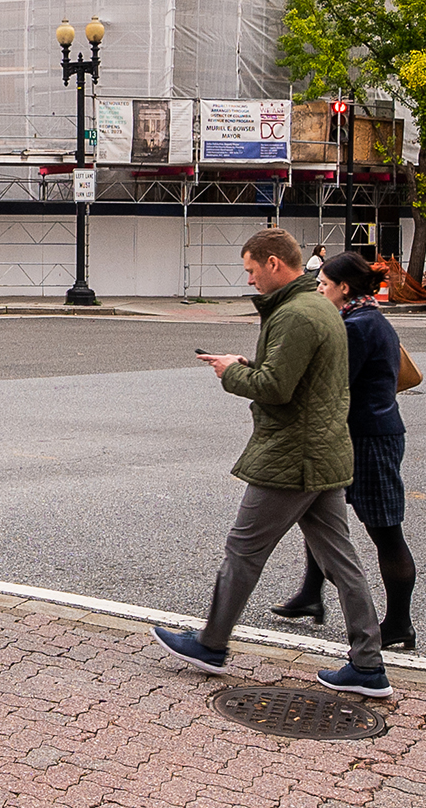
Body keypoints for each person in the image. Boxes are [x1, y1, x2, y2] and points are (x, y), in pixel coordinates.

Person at [152, 226, 391, 698]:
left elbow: (277, 389)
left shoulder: (296, 315)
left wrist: (231, 372)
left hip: (293, 455)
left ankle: (211, 644)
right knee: (342, 563)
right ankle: (368, 665)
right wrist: (247, 364)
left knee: (244, 549)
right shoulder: (318, 307)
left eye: (251, 270)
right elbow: (297, 378)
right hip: (321, 450)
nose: (249, 280)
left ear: (274, 264)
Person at [269, 252, 417, 650]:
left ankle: (399, 621)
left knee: (386, 532)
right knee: (321, 515)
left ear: (344, 288)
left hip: (369, 439)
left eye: (324, 285)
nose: (319, 289)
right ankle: (310, 594)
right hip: (365, 433)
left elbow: (334, 384)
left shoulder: (357, 327)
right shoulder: (367, 319)